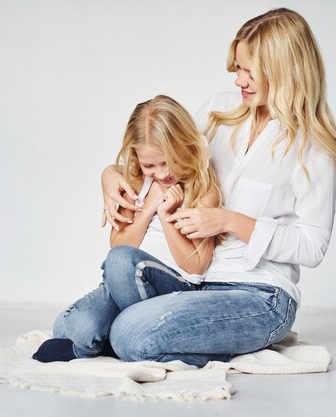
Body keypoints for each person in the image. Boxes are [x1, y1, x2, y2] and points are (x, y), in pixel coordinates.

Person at [98, 8, 336, 367]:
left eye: (249, 72)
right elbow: (164, 158)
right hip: (195, 282)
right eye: (237, 69)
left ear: (284, 72)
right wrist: (109, 173)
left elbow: (313, 247)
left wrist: (230, 221)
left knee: (127, 335)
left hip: (260, 295)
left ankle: (200, 343)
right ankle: (188, 339)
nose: (239, 81)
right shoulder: (219, 111)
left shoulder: (312, 150)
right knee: (82, 325)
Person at [33, 95, 222, 363]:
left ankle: (105, 344)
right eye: (149, 165)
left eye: (168, 161)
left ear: (186, 146)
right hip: (124, 281)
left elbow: (196, 267)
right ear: (136, 158)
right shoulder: (135, 182)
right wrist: (148, 207)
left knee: (119, 262)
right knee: (68, 326)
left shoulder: (203, 189)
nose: (160, 173)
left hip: (175, 286)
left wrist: (166, 215)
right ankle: (114, 342)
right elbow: (118, 240)